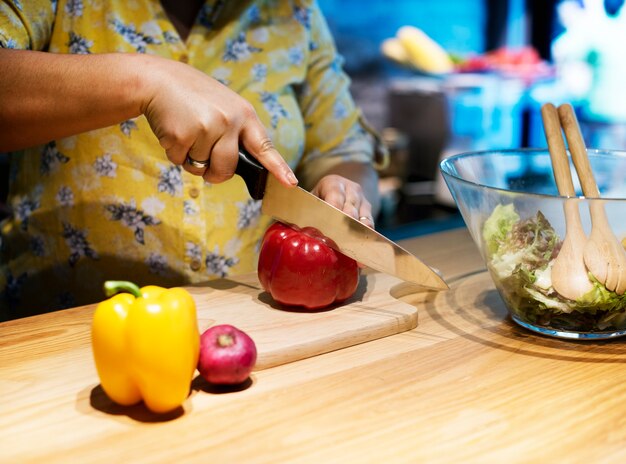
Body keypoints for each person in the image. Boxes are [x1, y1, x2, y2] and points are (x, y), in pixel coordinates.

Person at [0, 0, 385, 320]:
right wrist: (143, 80)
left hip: (249, 326)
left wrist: (346, 193)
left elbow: (343, 150)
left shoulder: (291, 9)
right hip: (65, 327)